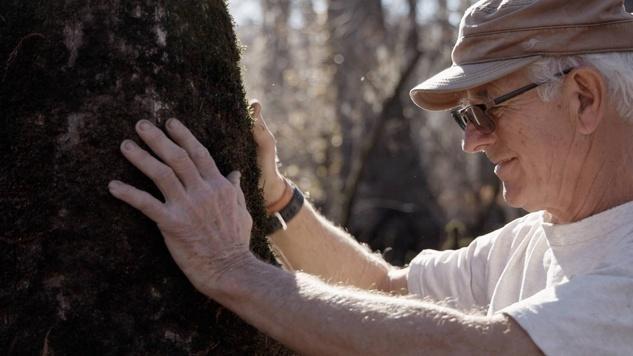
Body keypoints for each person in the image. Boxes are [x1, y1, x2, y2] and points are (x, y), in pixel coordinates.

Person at [107, 0, 633, 354]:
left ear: (583, 98)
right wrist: (276, 200)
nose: (472, 140)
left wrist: (229, 270)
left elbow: (480, 348)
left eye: (486, 110)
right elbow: (386, 291)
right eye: (467, 116)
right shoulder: (530, 239)